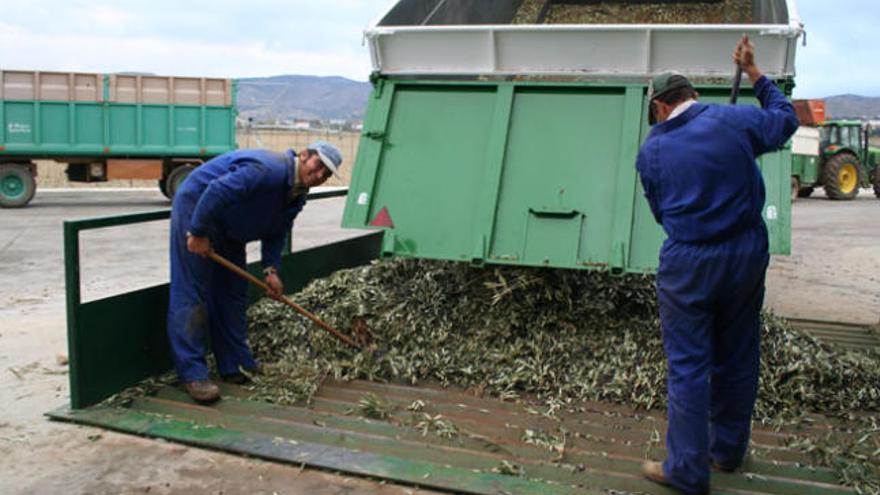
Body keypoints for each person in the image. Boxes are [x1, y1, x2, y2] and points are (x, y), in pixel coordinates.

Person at [636, 36, 798, 494]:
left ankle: (687, 470)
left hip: (689, 260)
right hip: (745, 252)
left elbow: (661, 212)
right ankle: (727, 450)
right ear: (693, 97)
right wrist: (754, 73)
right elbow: (786, 121)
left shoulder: (651, 151)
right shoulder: (734, 120)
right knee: (738, 351)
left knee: (689, 364)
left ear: (662, 109)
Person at [167, 142, 343, 403]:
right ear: (304, 155)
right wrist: (199, 232)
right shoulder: (268, 170)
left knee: (232, 294)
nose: (319, 176)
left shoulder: (298, 192)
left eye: (326, 175)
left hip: (230, 226)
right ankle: (193, 375)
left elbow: (277, 230)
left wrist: (271, 270)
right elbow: (216, 190)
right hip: (197, 209)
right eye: (318, 166)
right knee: (192, 292)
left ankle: (235, 364)